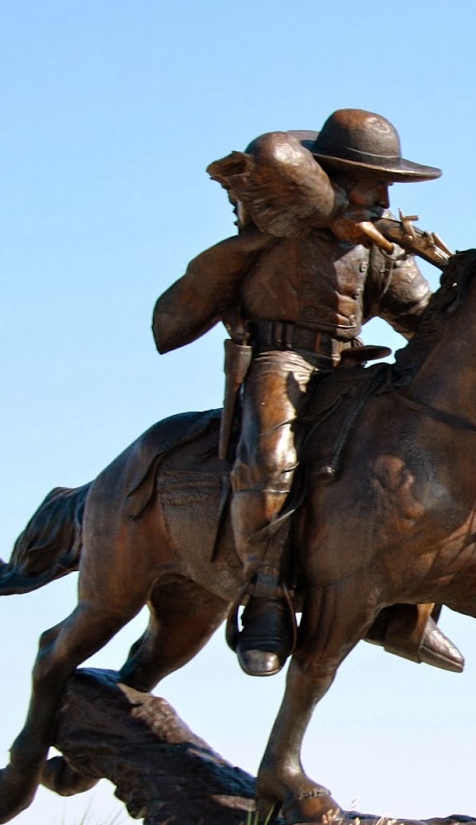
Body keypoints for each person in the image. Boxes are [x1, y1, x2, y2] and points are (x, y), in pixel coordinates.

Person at [151, 109, 441, 676]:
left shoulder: (381, 246)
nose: (383, 198)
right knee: (270, 457)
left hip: (353, 367)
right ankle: (265, 596)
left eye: (389, 186)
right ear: (336, 182)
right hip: (282, 361)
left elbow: (422, 321)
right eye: (371, 184)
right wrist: (323, 217)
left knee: (423, 449)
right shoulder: (272, 237)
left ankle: (407, 607)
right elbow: (271, 153)